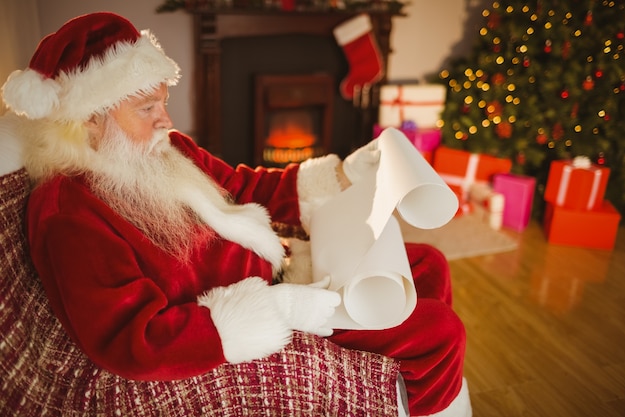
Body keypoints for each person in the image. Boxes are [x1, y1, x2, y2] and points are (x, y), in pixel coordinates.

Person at [1, 12, 470, 417]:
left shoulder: (162, 149)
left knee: (428, 264)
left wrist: (347, 173)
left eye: (163, 102)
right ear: (88, 119)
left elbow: (243, 185)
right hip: (260, 314)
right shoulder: (70, 213)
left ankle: (401, 396)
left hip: (283, 269)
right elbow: (133, 339)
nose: (166, 121)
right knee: (439, 334)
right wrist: (282, 311)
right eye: (147, 108)